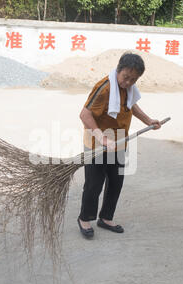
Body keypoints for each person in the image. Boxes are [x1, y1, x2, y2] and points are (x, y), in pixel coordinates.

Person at [77, 52, 162, 239]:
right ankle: (84, 218)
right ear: (118, 70)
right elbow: (84, 115)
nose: (128, 83)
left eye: (133, 79)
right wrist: (102, 139)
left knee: (116, 182)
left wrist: (148, 120)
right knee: (94, 184)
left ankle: (106, 217)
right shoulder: (104, 88)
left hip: (119, 142)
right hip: (97, 143)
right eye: (125, 78)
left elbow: (131, 105)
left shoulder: (129, 89)